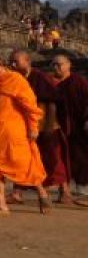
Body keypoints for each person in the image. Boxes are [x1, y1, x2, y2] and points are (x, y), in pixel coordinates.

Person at [0, 53, 50, 215]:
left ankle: (42, 193)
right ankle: (1, 204)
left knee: (24, 164)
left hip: (14, 132)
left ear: (0, 63)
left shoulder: (16, 80)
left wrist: (33, 127)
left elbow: (30, 105)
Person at [7, 50, 71, 204]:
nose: (12, 65)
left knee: (54, 159)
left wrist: (50, 123)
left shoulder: (42, 78)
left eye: (16, 61)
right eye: (11, 62)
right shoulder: (15, 79)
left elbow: (57, 99)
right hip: (26, 125)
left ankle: (65, 191)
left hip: (47, 124)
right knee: (25, 158)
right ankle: (17, 192)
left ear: (27, 61)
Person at [50, 54, 88, 201]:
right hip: (62, 127)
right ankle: (65, 189)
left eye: (59, 64)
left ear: (68, 65)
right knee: (64, 157)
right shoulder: (53, 84)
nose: (56, 67)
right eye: (53, 64)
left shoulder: (79, 81)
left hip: (80, 124)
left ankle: (83, 185)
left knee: (82, 156)